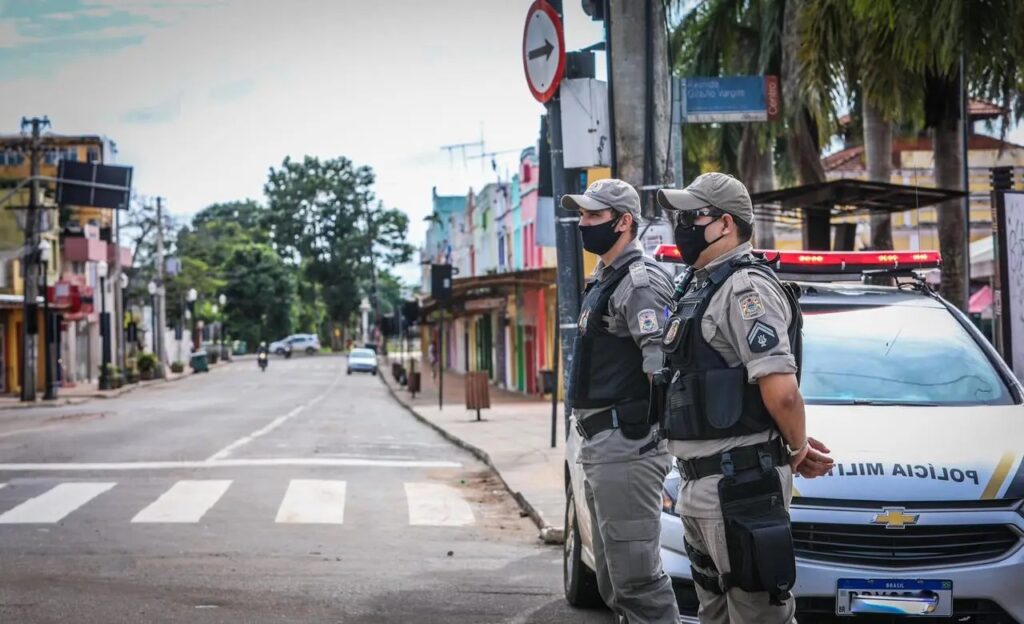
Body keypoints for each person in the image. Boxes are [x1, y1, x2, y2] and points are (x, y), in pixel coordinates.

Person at [655, 173, 834, 624]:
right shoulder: (702, 286)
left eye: (693, 216)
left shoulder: (745, 288)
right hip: (701, 486)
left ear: (726, 224)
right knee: (714, 613)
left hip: (740, 487)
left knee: (758, 615)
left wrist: (797, 448)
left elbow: (782, 393)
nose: (682, 226)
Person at [561, 179, 680, 624]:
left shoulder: (640, 283)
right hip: (602, 443)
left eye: (594, 215)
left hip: (628, 445)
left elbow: (662, 371)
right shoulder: (607, 278)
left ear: (624, 222)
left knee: (637, 582)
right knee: (613, 581)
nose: (583, 223)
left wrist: (654, 439)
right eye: (582, 214)